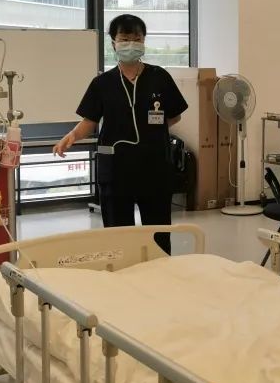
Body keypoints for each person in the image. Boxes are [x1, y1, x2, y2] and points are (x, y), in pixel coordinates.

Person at [53, 14, 187, 254]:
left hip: (154, 168)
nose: (131, 44)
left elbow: (174, 116)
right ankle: (123, 273)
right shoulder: (102, 83)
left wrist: (150, 131)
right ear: (114, 43)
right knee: (117, 234)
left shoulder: (160, 77)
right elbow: (89, 121)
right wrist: (71, 136)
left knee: (158, 232)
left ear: (144, 41)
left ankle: (161, 271)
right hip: (116, 170)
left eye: (137, 38)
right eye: (125, 39)